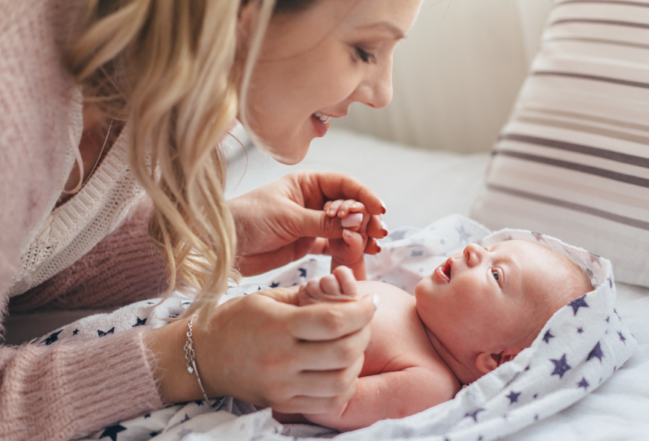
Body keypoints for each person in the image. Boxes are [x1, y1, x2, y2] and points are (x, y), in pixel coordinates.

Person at [0, 0, 422, 439]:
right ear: (244, 13)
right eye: (365, 49)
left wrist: (209, 237)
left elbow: (30, 260)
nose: (383, 93)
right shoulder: (12, 97)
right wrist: (195, 360)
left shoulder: (156, 85)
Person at [277, 202, 593, 431]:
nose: (473, 250)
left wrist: (324, 332)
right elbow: (358, 299)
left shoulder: (431, 383)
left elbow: (339, 405)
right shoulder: (410, 307)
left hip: (260, 367)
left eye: (496, 274)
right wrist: (347, 262)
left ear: (497, 359)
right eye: (490, 250)